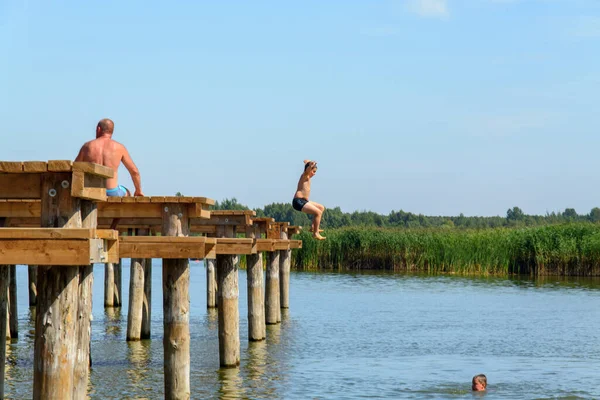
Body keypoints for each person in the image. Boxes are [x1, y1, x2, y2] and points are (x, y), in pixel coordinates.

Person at [75, 118, 144, 197]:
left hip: (91, 191)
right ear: (112, 131)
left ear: (98, 129)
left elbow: (74, 169)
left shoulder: (87, 146)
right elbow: (134, 172)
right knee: (127, 192)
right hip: (112, 192)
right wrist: (138, 190)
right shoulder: (119, 147)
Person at [292, 160, 325, 240]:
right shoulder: (305, 176)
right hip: (298, 201)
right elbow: (307, 170)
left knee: (321, 207)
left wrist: (307, 162)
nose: (314, 174)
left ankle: (313, 227)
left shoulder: (308, 177)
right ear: (309, 170)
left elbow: (307, 168)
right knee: (318, 212)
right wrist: (310, 165)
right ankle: (315, 233)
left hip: (304, 201)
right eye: (313, 171)